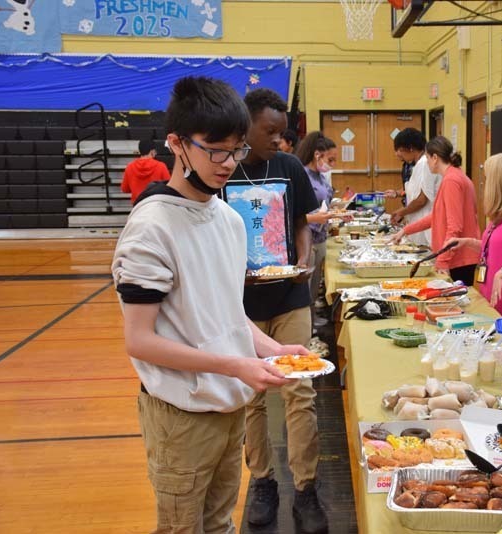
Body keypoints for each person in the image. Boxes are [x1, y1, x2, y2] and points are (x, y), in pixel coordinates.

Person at [111, 76, 300, 533]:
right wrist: (235, 366)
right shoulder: (151, 228)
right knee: (182, 527)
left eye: (236, 149)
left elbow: (227, 312)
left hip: (229, 405)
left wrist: (268, 350)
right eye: (215, 149)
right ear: (176, 144)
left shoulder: (229, 218)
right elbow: (140, 342)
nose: (228, 163)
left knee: (219, 523)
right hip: (181, 415)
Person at [221, 89, 328, 532]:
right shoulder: (223, 173)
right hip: (240, 304)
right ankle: (263, 481)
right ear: (244, 125)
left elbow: (302, 222)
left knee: (299, 393)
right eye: (269, 132)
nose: (278, 141)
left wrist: (304, 261)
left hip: (289, 298)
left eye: (283, 134)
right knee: (252, 398)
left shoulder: (288, 168)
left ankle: (306, 489)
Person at [442, 153, 502, 316]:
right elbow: (494, 248)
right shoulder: (501, 212)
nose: (484, 183)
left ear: (497, 182)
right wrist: (466, 242)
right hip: (492, 294)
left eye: (487, 179)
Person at [390, 136, 480, 285]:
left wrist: (443, 260)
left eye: (427, 157)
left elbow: (455, 227)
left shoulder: (452, 180)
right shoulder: (454, 176)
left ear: (435, 158)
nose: (427, 162)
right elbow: (437, 216)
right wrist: (405, 230)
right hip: (457, 256)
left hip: (458, 258)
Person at [295, 131, 348, 330]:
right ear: (317, 155)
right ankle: (303, 324)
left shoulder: (320, 176)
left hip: (321, 237)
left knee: (315, 284)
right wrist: (320, 217)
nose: (332, 164)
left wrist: (337, 212)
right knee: (304, 286)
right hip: (306, 237)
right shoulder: (301, 174)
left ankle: (311, 318)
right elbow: (294, 216)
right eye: (330, 159)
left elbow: (323, 204)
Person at [387, 128, 440, 247]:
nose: (398, 154)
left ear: (410, 148)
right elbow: (414, 192)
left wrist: (401, 212)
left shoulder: (425, 163)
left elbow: (421, 200)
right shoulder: (418, 164)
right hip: (418, 222)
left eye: (400, 150)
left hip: (426, 223)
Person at [120, 138, 170, 204]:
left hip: (138, 205)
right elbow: (169, 187)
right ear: (152, 151)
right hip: (156, 204)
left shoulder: (130, 167)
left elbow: (125, 189)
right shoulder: (161, 166)